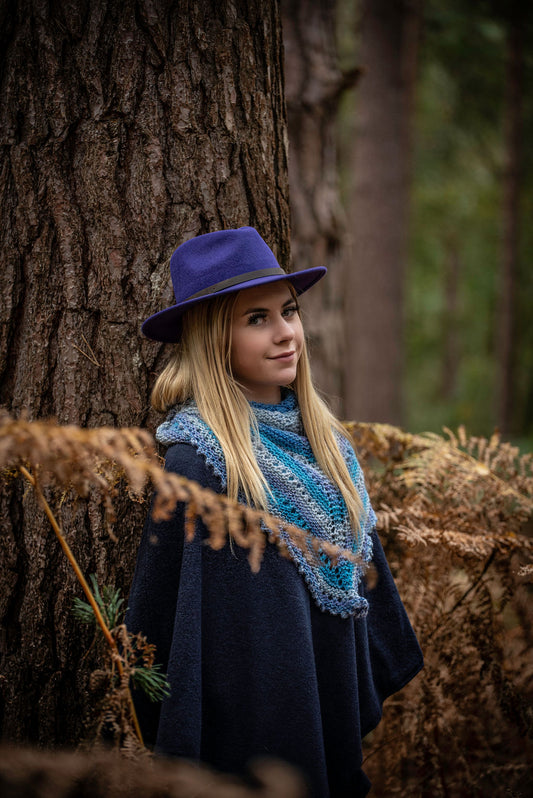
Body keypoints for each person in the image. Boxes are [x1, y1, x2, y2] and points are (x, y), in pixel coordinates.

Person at [125, 227, 423, 797]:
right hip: (248, 733)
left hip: (325, 706)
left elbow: (362, 587)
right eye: (256, 319)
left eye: (288, 311)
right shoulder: (200, 461)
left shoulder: (331, 449)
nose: (286, 333)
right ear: (215, 340)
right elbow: (170, 623)